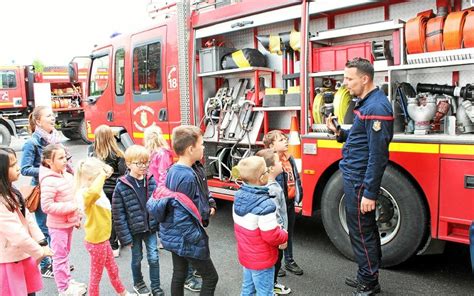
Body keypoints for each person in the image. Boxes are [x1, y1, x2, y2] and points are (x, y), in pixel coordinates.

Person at [326, 57, 394, 296]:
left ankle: (368, 284)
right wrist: (338, 133)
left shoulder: (377, 108)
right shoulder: (366, 103)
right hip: (354, 176)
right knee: (364, 231)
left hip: (359, 180)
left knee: (362, 233)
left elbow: (378, 155)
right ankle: (367, 275)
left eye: (349, 78)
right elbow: (361, 138)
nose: (345, 84)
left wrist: (369, 192)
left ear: (365, 79)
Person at [156, 125, 219, 296]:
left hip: (176, 235)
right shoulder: (186, 176)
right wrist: (197, 238)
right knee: (211, 277)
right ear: (191, 149)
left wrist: (210, 204)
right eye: (201, 144)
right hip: (185, 236)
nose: (204, 147)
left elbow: (202, 193)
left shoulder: (186, 169)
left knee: (180, 273)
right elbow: (181, 215)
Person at [21, 105, 73, 277]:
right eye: (48, 116)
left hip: (58, 187)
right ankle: (45, 265)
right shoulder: (32, 142)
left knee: (59, 228)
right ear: (38, 121)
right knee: (45, 228)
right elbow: (25, 169)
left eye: (53, 115)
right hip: (42, 189)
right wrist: (49, 170)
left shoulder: (55, 139)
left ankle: (59, 261)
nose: (53, 118)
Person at [74, 157, 132, 296]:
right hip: (96, 242)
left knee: (112, 268)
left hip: (102, 239)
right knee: (96, 276)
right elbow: (93, 193)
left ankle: (122, 292)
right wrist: (101, 174)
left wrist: (101, 172)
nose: (103, 181)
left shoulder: (93, 192)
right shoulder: (86, 194)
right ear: (90, 178)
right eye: (99, 178)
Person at [0, 147, 54, 296]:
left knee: (30, 292)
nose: (18, 168)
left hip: (23, 254)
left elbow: (27, 217)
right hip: (10, 260)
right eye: (12, 165)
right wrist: (40, 251)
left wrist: (41, 241)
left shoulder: (11, 190)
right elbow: (16, 234)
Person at [112, 145, 164, 296]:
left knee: (154, 257)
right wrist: (125, 237)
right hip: (133, 231)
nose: (143, 166)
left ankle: (156, 286)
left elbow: (158, 203)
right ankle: (138, 283)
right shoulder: (121, 186)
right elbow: (118, 214)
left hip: (150, 228)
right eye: (139, 163)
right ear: (128, 164)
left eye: (146, 162)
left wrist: (161, 224)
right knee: (137, 259)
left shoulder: (151, 180)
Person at [233, 156, 288, 296]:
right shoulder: (265, 205)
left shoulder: (238, 196)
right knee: (265, 292)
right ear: (261, 178)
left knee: (247, 289)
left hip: (246, 255)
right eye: (265, 171)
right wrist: (284, 236)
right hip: (262, 259)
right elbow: (271, 235)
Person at [39, 144, 86, 295]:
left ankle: (67, 281)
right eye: (60, 158)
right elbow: (47, 206)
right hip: (57, 225)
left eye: (65, 156)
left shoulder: (66, 174)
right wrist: (72, 207)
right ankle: (63, 289)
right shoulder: (48, 180)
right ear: (48, 162)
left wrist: (76, 217)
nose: (65, 160)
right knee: (59, 257)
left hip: (68, 223)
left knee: (65, 254)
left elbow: (74, 197)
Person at [263, 130, 304, 277]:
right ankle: (275, 262)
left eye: (285, 139)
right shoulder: (271, 163)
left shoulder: (289, 158)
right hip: (277, 205)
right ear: (271, 146)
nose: (285, 141)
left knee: (288, 233)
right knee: (276, 234)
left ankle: (289, 260)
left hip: (289, 202)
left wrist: (299, 194)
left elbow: (296, 178)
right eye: (281, 140)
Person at [256, 149, 291, 295]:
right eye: (277, 161)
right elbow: (275, 215)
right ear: (270, 168)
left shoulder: (269, 185)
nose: (280, 163)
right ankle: (268, 288)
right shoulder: (272, 189)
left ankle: (272, 284)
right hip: (276, 236)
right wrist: (282, 235)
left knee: (274, 262)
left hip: (273, 235)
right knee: (275, 262)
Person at [88, 124, 127, 257]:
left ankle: (107, 241)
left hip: (99, 190)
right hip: (114, 190)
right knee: (115, 217)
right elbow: (123, 174)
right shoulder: (118, 153)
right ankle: (114, 244)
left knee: (103, 217)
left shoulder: (92, 153)